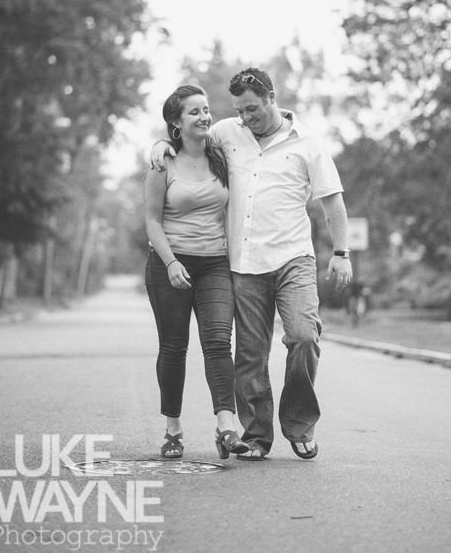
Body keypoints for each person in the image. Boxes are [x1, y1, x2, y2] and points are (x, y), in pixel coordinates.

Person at [151, 68, 352, 461]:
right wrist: (161, 142)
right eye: (241, 111)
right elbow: (187, 136)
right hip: (243, 262)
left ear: (272, 98)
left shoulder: (308, 142)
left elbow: (332, 201)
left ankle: (299, 423)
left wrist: (341, 253)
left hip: (294, 257)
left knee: (303, 336)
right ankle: (257, 434)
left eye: (253, 109)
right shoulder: (227, 132)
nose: (247, 118)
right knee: (249, 355)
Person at [143, 84, 249, 460]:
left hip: (215, 263)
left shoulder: (221, 156)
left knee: (219, 343)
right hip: (169, 263)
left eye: (206, 109)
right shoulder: (162, 163)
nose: (205, 116)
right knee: (174, 348)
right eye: (194, 112)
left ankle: (226, 428)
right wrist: (171, 262)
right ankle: (173, 428)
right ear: (176, 122)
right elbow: (152, 222)